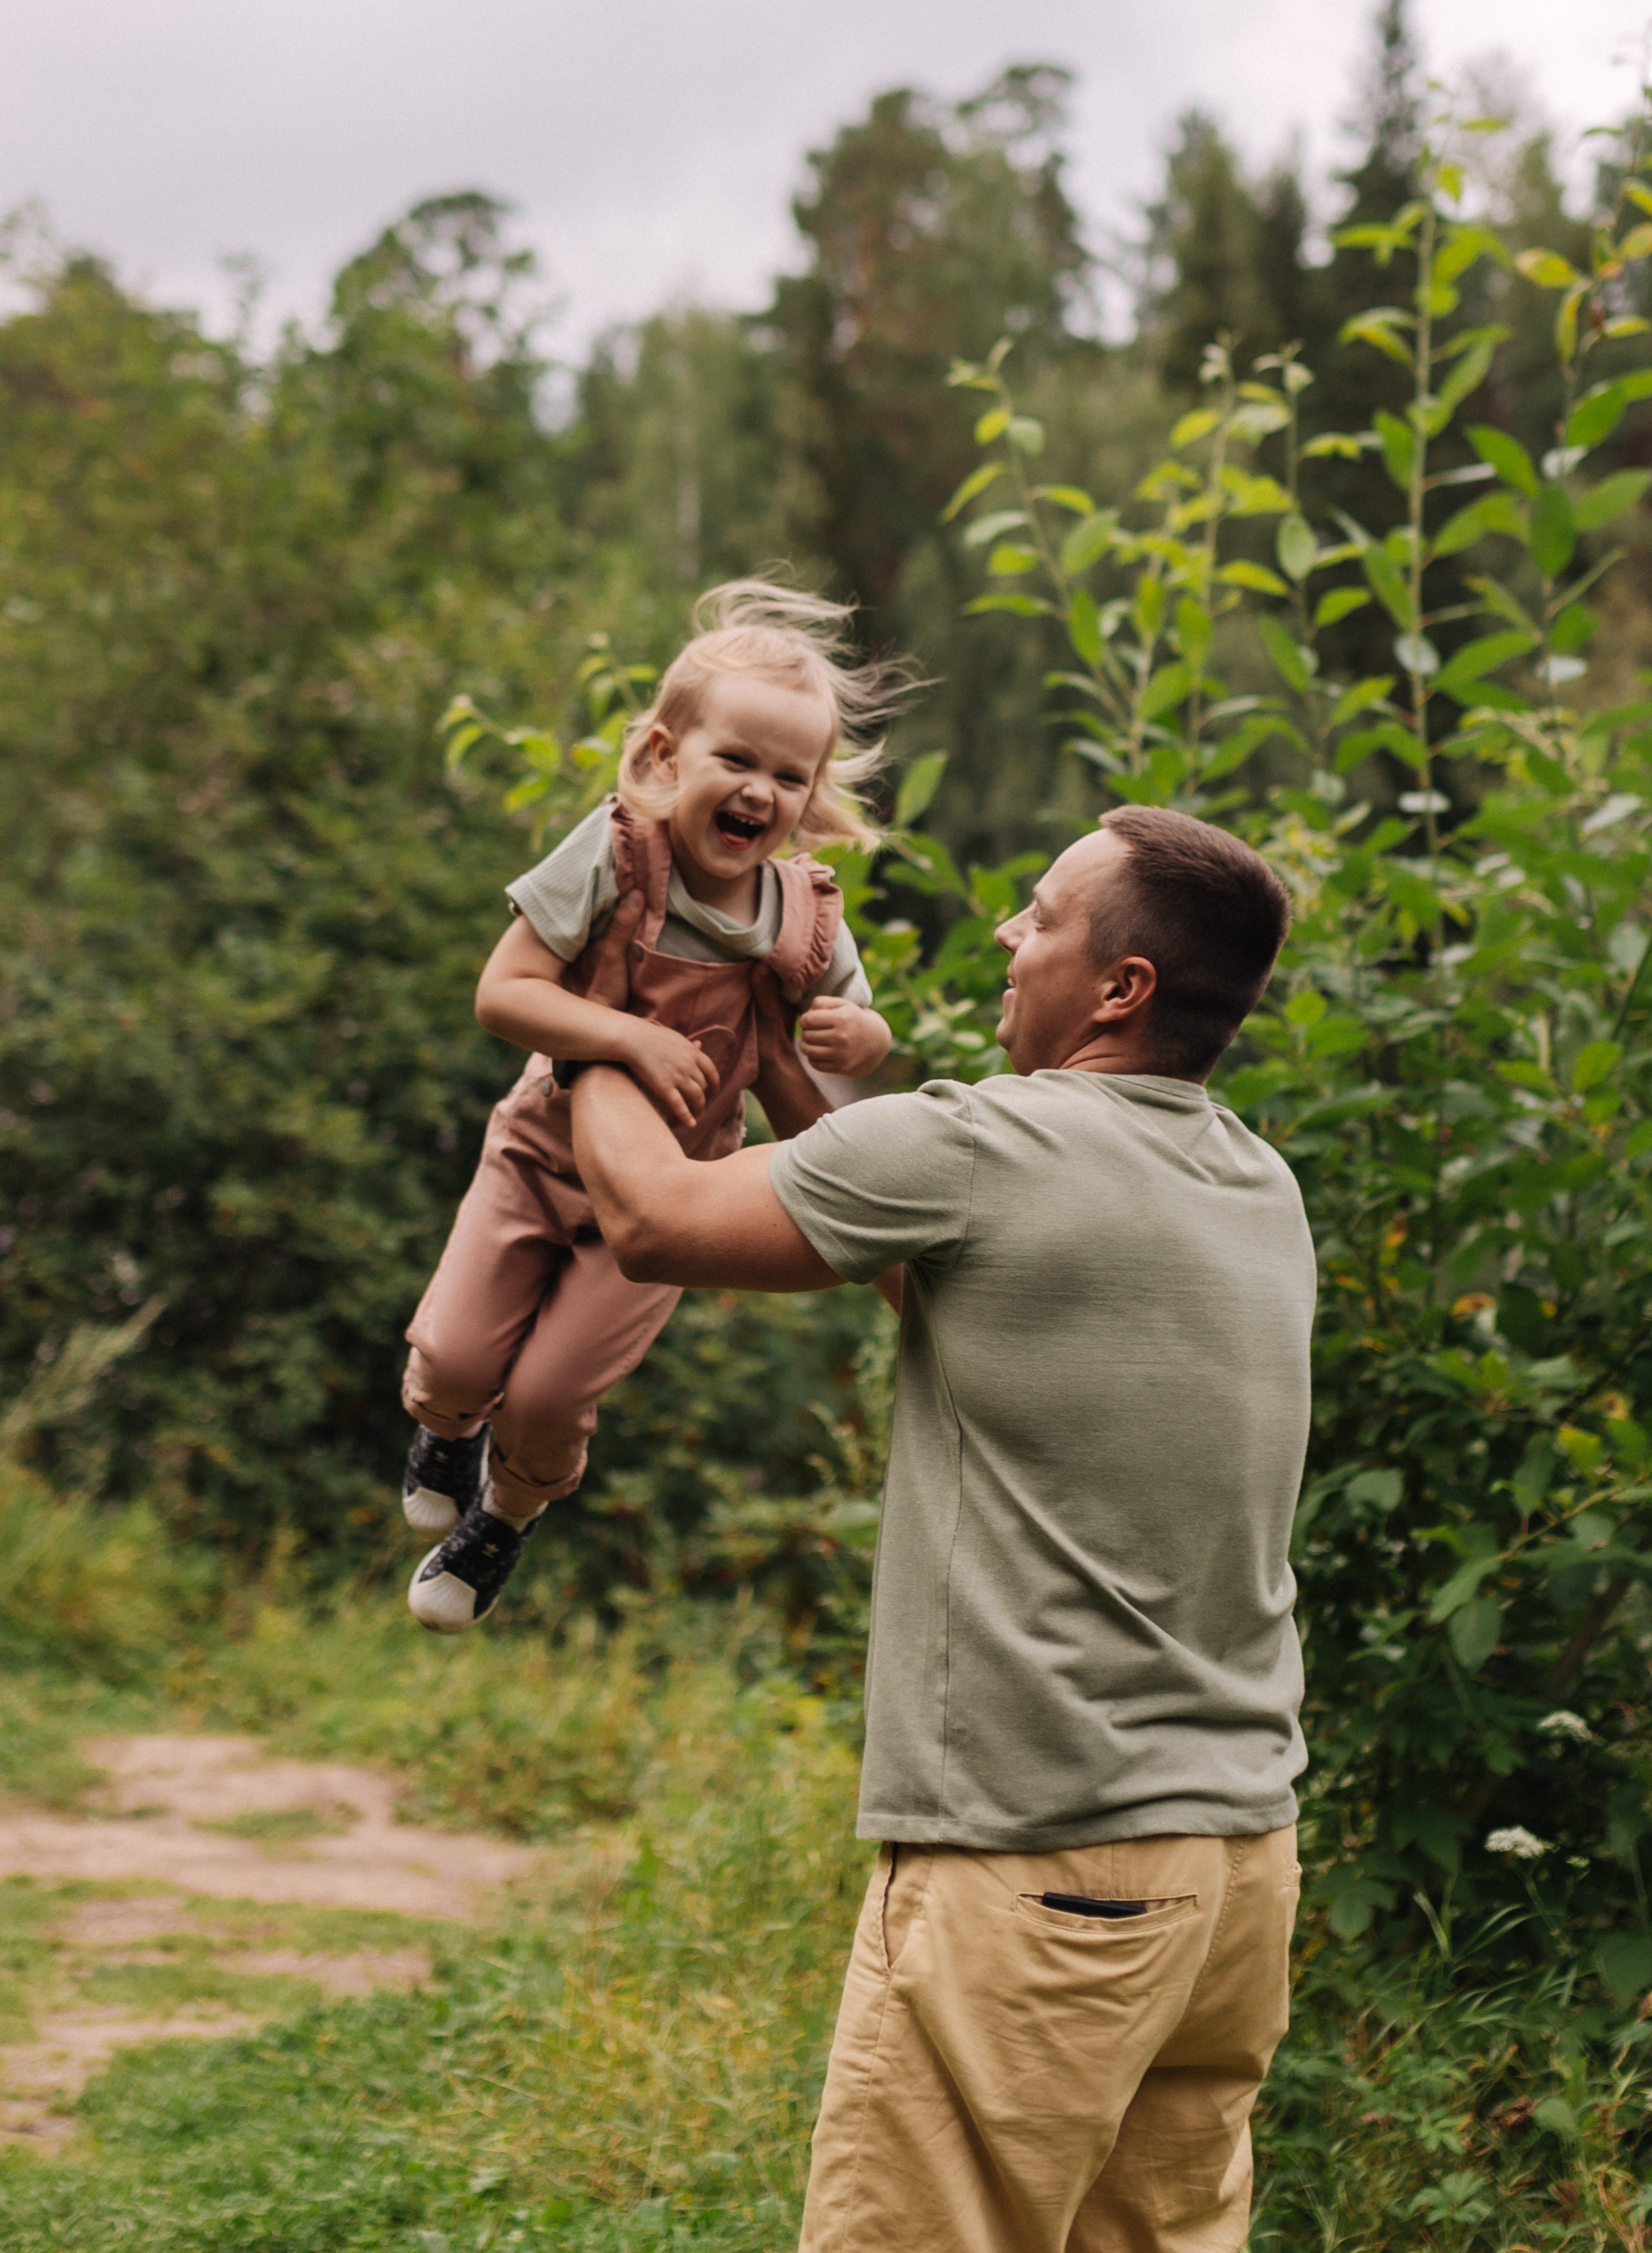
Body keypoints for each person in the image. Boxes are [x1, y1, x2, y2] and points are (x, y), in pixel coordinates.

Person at [568, 805, 1316, 2253]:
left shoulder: (984, 1146)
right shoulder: (1250, 1185)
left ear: (1121, 988)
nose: (1003, 933)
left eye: (1039, 916)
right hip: (1229, 1871)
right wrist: (779, 1052)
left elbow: (651, 1221)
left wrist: (597, 1018)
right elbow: (939, 1283)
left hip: (1036, 1868)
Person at [398, 583, 896, 1633]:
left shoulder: (800, 913)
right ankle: (444, 1430)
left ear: (808, 799)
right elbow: (504, 995)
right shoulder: (620, 852)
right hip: (539, 1154)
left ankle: (506, 1516)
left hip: (668, 1204)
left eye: (788, 775)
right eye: (737, 760)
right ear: (668, 756)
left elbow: (849, 1053)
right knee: (454, 1359)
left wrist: (870, 1037)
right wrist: (625, 1033)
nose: (760, 790)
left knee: (545, 1401)